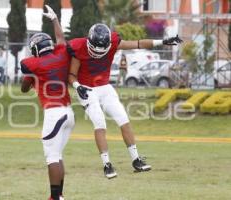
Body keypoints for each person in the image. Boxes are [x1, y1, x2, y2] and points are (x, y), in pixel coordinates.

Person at [68, 23, 182, 178]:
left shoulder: (114, 41)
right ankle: (107, 165)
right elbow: (71, 74)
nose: (98, 52)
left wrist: (162, 41)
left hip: (104, 86)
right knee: (100, 123)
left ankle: (136, 160)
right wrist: (77, 86)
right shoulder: (79, 47)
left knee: (123, 119)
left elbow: (138, 43)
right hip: (87, 89)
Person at [20, 5, 73, 200]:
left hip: (54, 113)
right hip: (68, 113)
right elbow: (61, 39)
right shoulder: (60, 54)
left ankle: (55, 197)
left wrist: (31, 77)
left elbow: (24, 85)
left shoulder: (33, 64)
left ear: (35, 49)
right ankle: (59, 196)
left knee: (52, 157)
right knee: (57, 155)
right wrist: (55, 20)